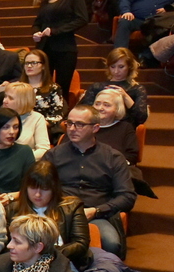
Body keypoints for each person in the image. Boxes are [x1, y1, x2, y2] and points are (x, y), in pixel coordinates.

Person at [43, 105, 135, 258]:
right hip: (59, 212)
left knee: (111, 243)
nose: (72, 129)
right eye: (69, 123)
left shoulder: (112, 157)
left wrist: (97, 210)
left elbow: (127, 196)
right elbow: (38, 187)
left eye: (79, 124)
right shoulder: (54, 155)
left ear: (95, 128)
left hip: (97, 214)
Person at [6, 160, 91, 271]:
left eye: (45, 189)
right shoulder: (12, 209)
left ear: (54, 189)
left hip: (63, 265)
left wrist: (46, 256)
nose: (37, 194)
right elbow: (6, 246)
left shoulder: (72, 206)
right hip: (23, 267)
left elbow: (81, 244)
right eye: (32, 188)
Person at [32, 0, 89, 91]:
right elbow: (38, 22)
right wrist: (36, 32)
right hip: (45, 48)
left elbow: (82, 19)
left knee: (62, 88)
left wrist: (55, 31)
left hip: (64, 48)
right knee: (42, 88)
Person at [0, 82, 50, 160]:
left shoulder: (37, 118)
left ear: (23, 101)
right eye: (5, 96)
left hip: (24, 163)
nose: (4, 101)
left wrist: (18, 159)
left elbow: (43, 150)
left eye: (10, 98)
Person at [79, 47, 148, 126]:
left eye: (121, 67)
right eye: (112, 67)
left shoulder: (136, 89)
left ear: (130, 67)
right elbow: (83, 114)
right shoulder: (96, 87)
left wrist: (125, 97)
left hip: (124, 132)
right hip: (98, 129)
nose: (116, 71)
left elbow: (141, 118)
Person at [20, 49, 66, 136]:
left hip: (43, 128)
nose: (29, 66)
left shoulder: (53, 88)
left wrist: (39, 125)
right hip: (20, 126)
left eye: (34, 63)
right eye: (26, 63)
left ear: (43, 66)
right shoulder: (18, 87)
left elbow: (57, 116)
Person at [92, 89, 139, 165]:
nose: (100, 108)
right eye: (97, 104)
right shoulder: (83, 125)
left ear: (117, 109)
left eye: (106, 105)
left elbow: (132, 156)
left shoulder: (125, 128)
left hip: (114, 170)